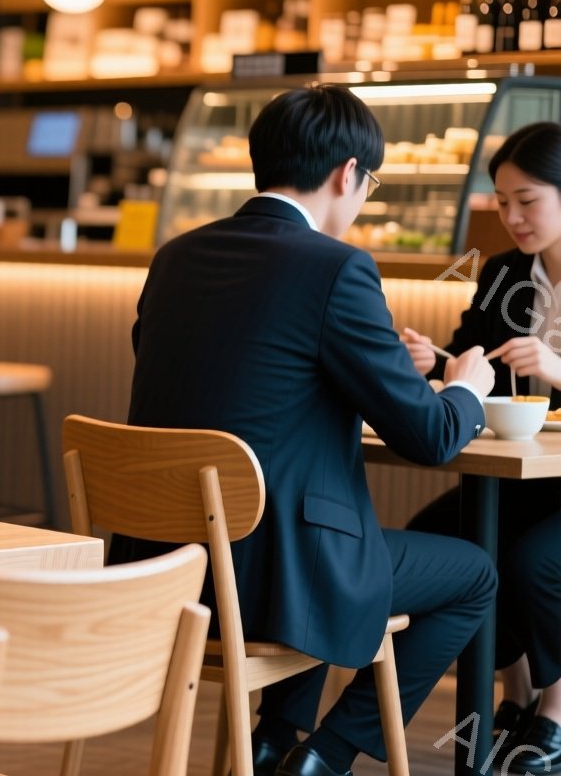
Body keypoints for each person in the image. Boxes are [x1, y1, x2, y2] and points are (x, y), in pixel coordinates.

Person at [120, 83, 499, 776]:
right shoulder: (336, 268)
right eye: (369, 184)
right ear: (348, 173)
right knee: (473, 573)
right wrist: (467, 391)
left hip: (163, 570)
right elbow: (432, 437)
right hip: (273, 579)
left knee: (325, 526)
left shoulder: (175, 255)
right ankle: (325, 755)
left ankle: (274, 741)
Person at [400, 121, 561, 774]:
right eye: (502, 202)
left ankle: (555, 715)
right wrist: (430, 364)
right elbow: (469, 355)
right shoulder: (503, 273)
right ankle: (515, 694)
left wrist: (556, 367)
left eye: (528, 201)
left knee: (534, 563)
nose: (512, 217)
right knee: (443, 544)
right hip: (526, 475)